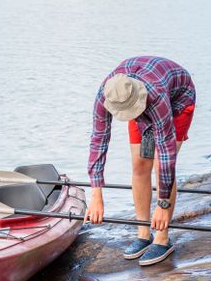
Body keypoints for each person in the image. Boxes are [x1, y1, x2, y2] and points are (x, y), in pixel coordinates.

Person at [84, 56, 196, 266]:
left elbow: (166, 154)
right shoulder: (106, 94)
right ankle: (144, 233)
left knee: (158, 163)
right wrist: (96, 193)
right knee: (139, 164)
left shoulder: (156, 96)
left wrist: (162, 203)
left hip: (178, 99)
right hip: (142, 97)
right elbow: (99, 139)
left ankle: (162, 237)